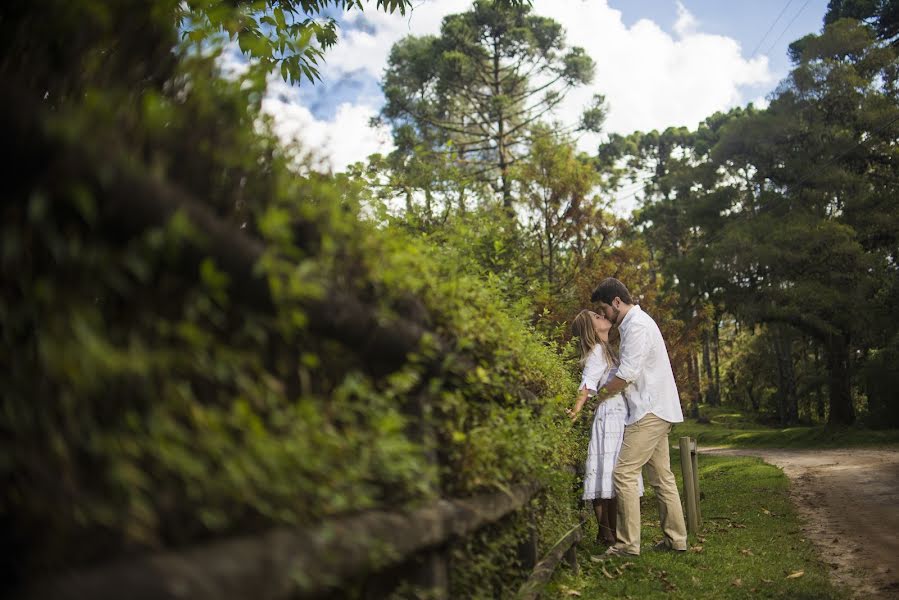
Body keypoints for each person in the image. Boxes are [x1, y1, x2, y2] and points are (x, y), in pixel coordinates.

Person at [588, 277, 688, 556]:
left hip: (649, 410)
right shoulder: (637, 324)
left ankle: (627, 545)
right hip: (656, 407)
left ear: (617, 302)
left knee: (623, 473)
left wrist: (599, 397)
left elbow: (627, 375)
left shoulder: (637, 326)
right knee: (662, 477)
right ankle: (676, 540)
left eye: (604, 308)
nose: (605, 314)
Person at [566, 309, 643, 547]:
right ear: (592, 329)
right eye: (597, 317)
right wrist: (576, 411)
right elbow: (588, 385)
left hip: (618, 415)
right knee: (605, 472)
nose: (602, 316)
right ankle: (605, 533)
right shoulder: (597, 351)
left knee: (612, 474)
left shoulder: (608, 349)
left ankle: (609, 532)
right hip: (609, 416)